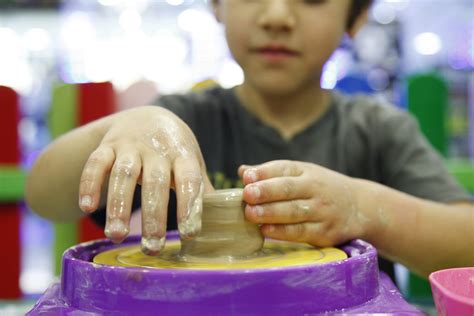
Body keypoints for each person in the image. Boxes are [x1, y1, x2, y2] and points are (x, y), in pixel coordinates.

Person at [26, 0, 473, 281]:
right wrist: (120, 128)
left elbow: (465, 244)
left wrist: (364, 208)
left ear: (354, 17)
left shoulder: (377, 130)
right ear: (216, 5)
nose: (276, 15)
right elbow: (43, 195)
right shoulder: (181, 121)